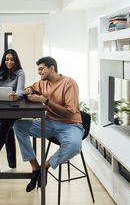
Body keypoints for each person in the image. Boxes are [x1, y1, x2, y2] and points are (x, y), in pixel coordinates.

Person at [13, 56, 84, 192]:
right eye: (38, 70)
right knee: (18, 125)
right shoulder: (42, 82)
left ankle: (46, 166)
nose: (39, 72)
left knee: (74, 146)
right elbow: (32, 88)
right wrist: (28, 90)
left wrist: (45, 100)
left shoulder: (69, 83)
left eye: (41, 69)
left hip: (70, 125)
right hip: (49, 123)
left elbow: (69, 113)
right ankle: (35, 168)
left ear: (52, 68)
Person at [0, 49, 25, 172]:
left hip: (14, 108)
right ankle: (12, 166)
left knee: (4, 126)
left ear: (15, 61)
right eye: (7, 59)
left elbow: (20, 90)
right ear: (4, 60)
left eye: (12, 59)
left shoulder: (20, 73)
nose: (9, 62)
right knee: (8, 132)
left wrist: (16, 95)